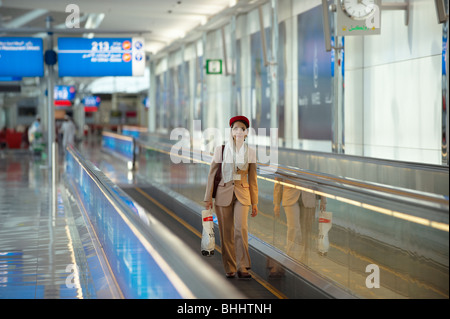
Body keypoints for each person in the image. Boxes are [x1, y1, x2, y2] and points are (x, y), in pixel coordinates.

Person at [204, 115, 258, 279]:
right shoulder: (221, 150)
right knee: (226, 231)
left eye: (242, 129)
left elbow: (253, 179)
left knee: (240, 229)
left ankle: (243, 266)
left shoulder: (251, 152)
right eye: (235, 129)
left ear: (246, 133)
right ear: (231, 132)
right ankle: (230, 266)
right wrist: (208, 198)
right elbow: (212, 174)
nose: (238, 132)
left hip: (243, 193)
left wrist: (255, 202)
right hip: (223, 192)